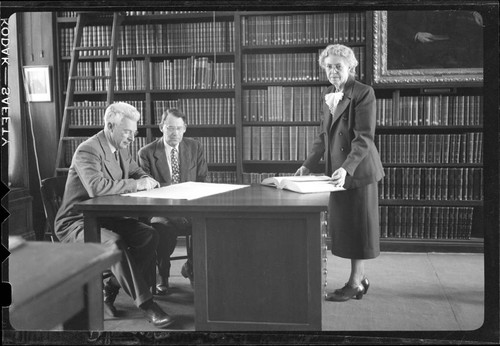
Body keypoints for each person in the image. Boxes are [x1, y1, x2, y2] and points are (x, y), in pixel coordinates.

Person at [54, 102, 175, 328]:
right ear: (110, 126)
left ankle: (110, 287)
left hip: (106, 217)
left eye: (134, 131)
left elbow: (134, 170)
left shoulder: (121, 147)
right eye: (127, 131)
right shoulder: (88, 150)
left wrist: (149, 180)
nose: (132, 137)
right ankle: (147, 305)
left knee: (149, 235)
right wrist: (137, 184)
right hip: (77, 222)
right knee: (115, 244)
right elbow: (96, 187)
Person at [295, 44, 384, 302]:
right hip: (338, 173)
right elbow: (323, 136)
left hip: (358, 171)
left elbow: (363, 138)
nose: (333, 71)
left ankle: (356, 283)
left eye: (339, 66)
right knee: (347, 227)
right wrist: (308, 164)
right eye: (329, 67)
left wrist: (346, 168)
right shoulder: (328, 94)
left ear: (351, 67)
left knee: (359, 228)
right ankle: (360, 279)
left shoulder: (363, 92)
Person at [138, 108, 208, 294]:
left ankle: (191, 267)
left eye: (179, 128)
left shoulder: (194, 147)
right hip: (160, 211)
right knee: (163, 229)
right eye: (170, 128)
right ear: (161, 127)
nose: (175, 133)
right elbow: (146, 190)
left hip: (189, 208)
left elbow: (202, 179)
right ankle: (163, 276)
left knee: (207, 224)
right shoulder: (146, 153)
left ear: (185, 128)